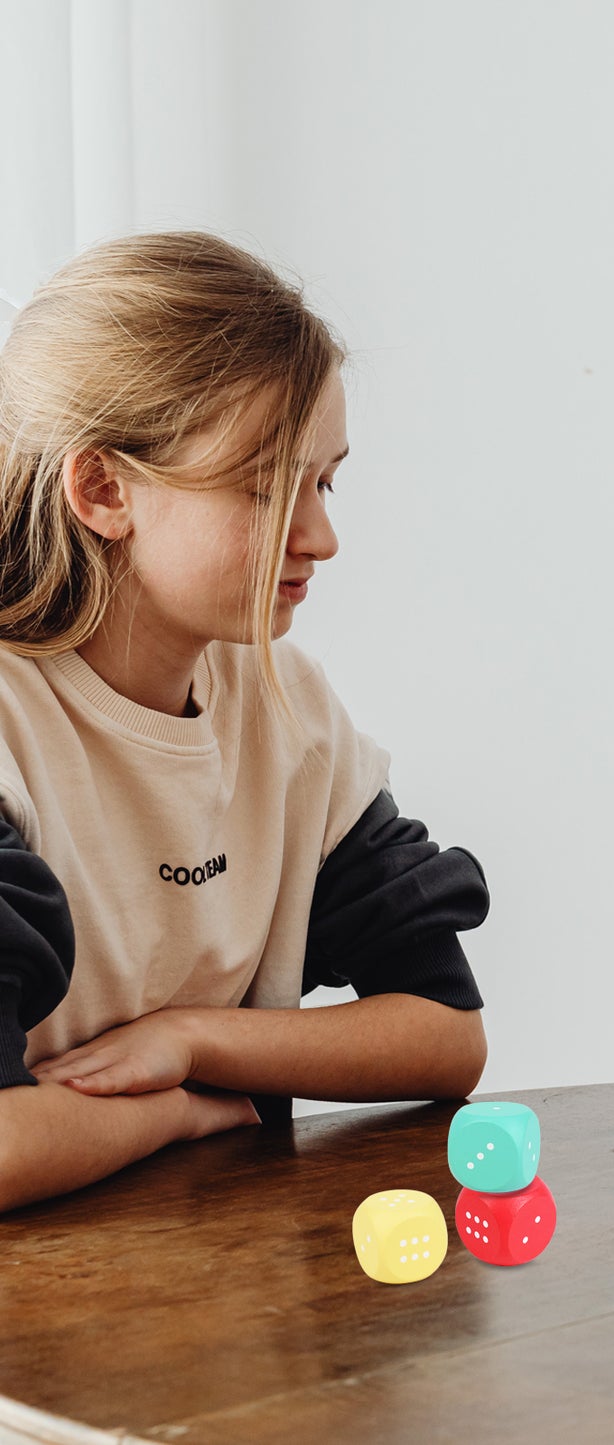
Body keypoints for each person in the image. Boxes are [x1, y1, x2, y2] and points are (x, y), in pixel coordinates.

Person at [0, 233, 490, 1212]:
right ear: (102, 489)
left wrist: (194, 1038)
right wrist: (177, 1111)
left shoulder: (285, 706)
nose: (322, 537)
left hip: (239, 1304)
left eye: (327, 480)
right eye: (267, 486)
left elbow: (444, 1030)